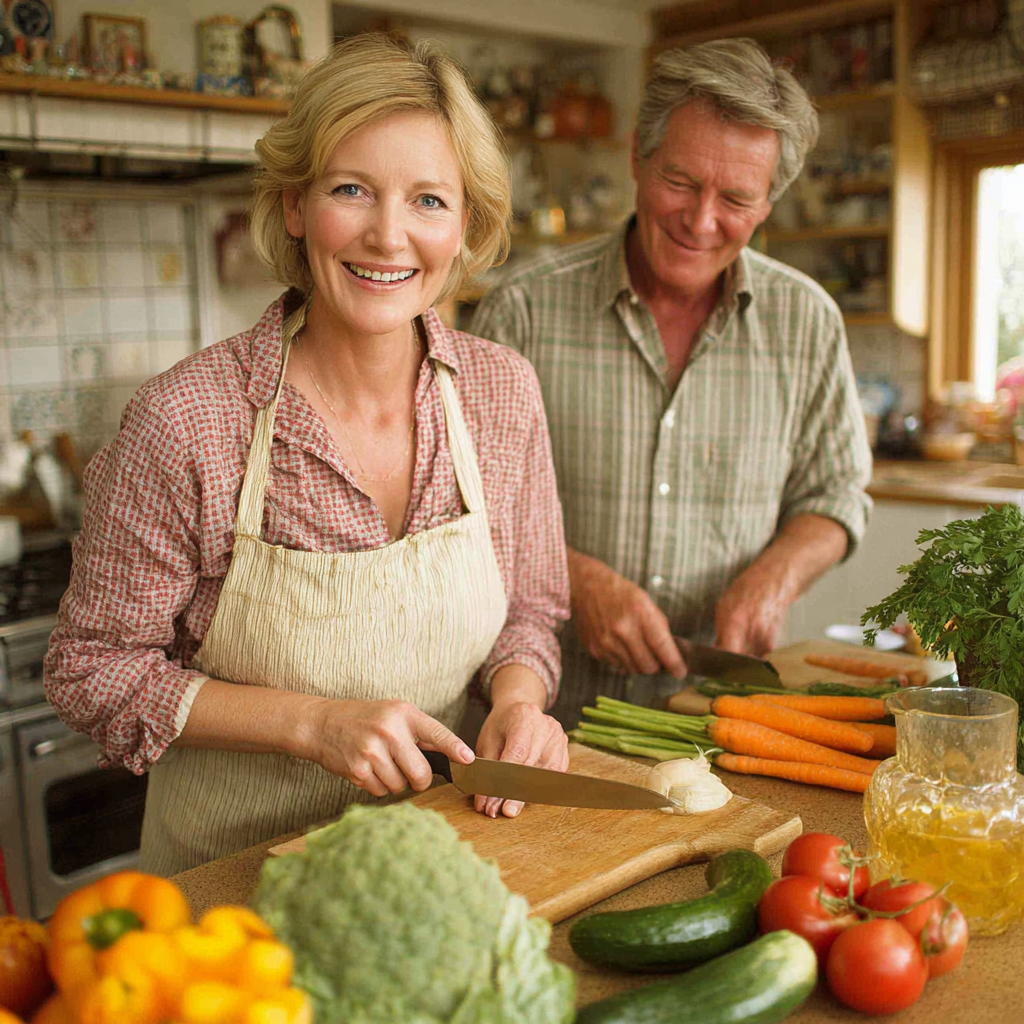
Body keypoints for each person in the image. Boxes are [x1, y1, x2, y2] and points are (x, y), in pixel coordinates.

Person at [44, 33, 571, 876]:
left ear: (466, 222)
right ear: (295, 206)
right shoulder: (188, 421)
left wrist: (519, 702)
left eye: (429, 200)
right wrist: (312, 724)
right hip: (233, 899)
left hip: (436, 872)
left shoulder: (501, 394)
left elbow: (530, 614)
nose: (389, 235)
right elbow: (90, 669)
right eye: (352, 189)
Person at [472, 38, 872, 728]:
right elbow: (459, 503)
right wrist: (575, 580)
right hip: (540, 721)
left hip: (726, 724)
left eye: (737, 198)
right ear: (637, 155)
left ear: (769, 202)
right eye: (680, 182)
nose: (701, 220)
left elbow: (835, 494)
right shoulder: (524, 309)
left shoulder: (807, 321)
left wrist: (773, 579)